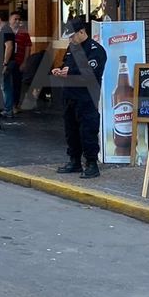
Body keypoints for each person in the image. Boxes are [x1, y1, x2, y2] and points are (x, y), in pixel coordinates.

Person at [52, 17, 107, 179]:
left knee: (88, 130)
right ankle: (74, 160)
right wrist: (60, 70)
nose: (70, 39)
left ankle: (91, 163)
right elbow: (67, 65)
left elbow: (90, 74)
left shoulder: (95, 50)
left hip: (86, 97)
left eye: (72, 36)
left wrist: (69, 72)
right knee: (71, 130)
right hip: (70, 95)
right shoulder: (72, 47)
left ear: (82, 32)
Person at [5, 12, 32, 117]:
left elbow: (28, 47)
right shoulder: (5, 31)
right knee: (6, 84)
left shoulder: (24, 33)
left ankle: (15, 105)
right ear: (10, 19)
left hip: (19, 62)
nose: (17, 21)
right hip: (7, 62)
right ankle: (7, 105)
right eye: (15, 19)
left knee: (16, 84)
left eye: (19, 19)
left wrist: (25, 62)